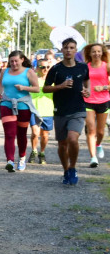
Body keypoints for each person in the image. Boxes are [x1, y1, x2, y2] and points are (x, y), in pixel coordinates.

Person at [43, 38, 90, 185]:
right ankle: (66, 170)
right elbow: (45, 88)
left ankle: (73, 168)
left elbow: (86, 81)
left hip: (78, 109)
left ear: (76, 50)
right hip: (60, 110)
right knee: (62, 144)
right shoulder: (56, 69)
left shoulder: (82, 67)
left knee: (73, 139)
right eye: (66, 48)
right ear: (62, 50)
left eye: (71, 48)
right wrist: (60, 86)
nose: (68, 50)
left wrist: (87, 90)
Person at [0, 50, 40, 173]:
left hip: (23, 105)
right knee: (9, 133)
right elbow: (1, 87)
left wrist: (24, 88)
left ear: (22, 60)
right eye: (11, 61)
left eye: (16, 61)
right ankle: (10, 161)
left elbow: (37, 89)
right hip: (7, 104)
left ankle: (21, 158)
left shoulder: (29, 72)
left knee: (21, 133)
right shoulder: (5, 71)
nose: (14, 63)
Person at [82, 43, 109, 167]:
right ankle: (93, 158)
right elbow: (81, 82)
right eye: (94, 52)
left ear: (102, 53)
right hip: (88, 101)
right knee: (91, 129)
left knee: (101, 131)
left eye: (99, 51)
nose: (96, 54)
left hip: (103, 100)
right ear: (90, 54)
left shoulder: (106, 66)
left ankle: (98, 144)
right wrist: (83, 89)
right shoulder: (85, 67)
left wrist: (104, 87)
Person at [29, 62, 55, 164]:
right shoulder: (32, 80)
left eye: (48, 67)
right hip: (34, 110)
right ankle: (34, 150)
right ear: (37, 68)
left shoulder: (53, 81)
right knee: (35, 133)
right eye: (42, 67)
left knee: (45, 135)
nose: (45, 69)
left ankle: (42, 152)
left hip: (48, 110)